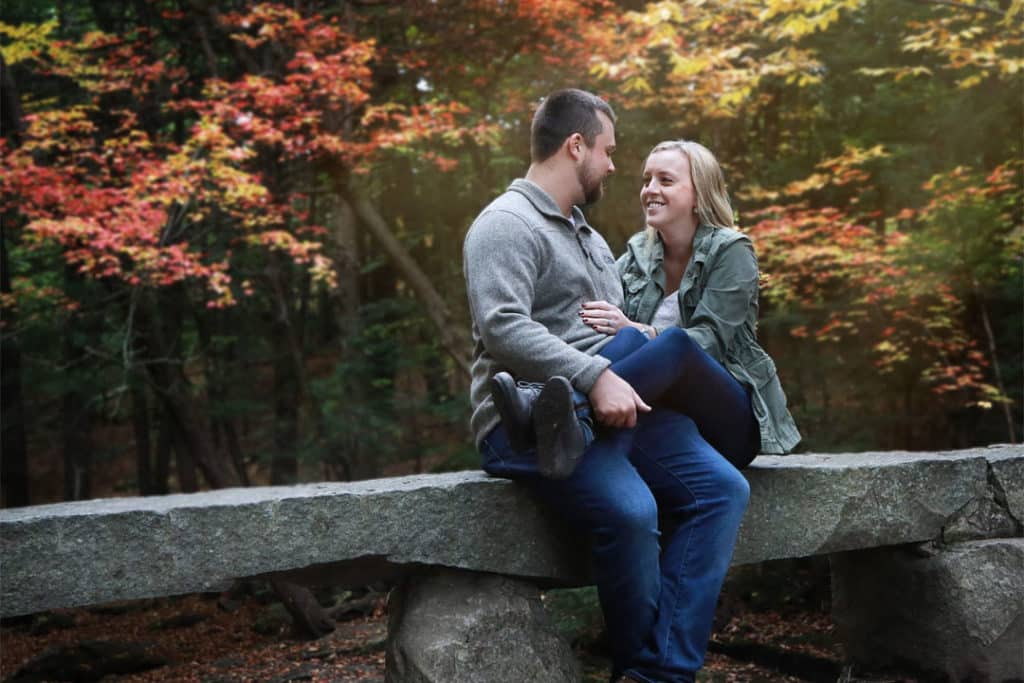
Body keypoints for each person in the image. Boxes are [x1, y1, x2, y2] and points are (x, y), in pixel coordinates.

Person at [463, 88, 751, 683]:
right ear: (576, 147)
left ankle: (667, 672)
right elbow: (502, 327)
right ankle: (645, 671)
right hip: (526, 426)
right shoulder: (504, 223)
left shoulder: (592, 240)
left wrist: (612, 370)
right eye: (609, 151)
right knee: (630, 508)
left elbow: (624, 338)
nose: (614, 167)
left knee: (722, 488)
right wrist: (593, 377)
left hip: (610, 406)